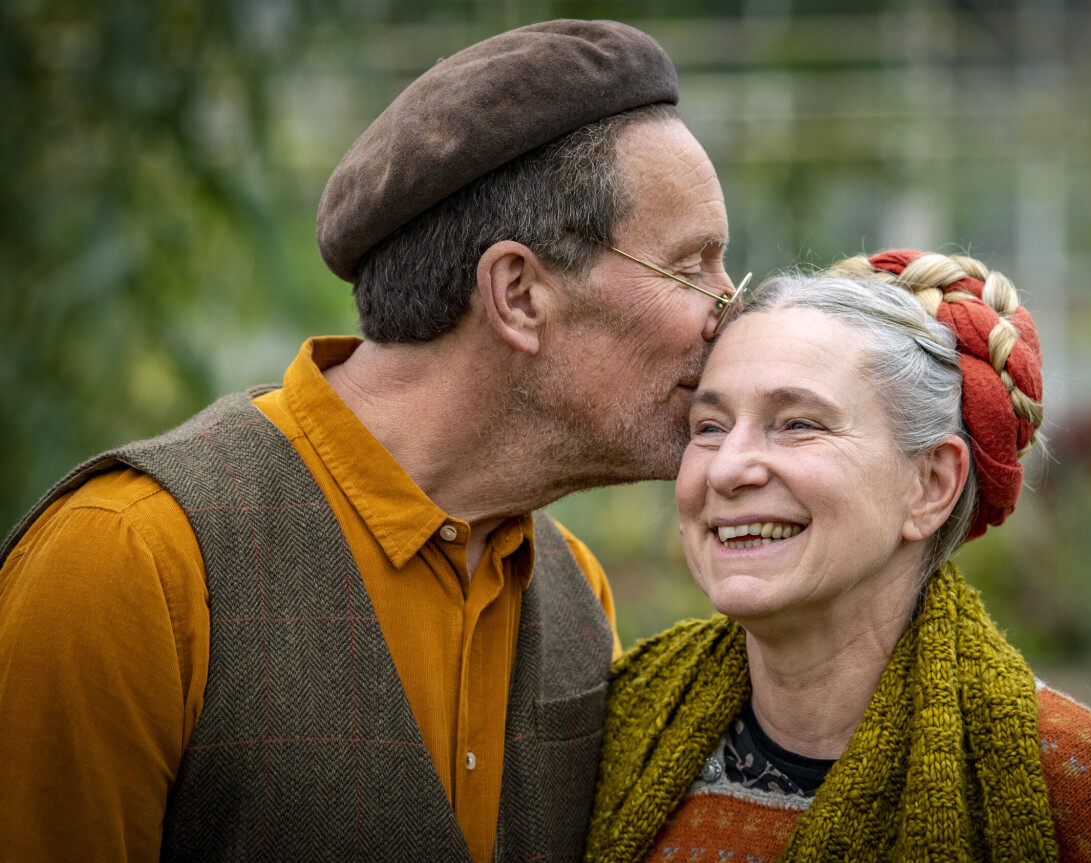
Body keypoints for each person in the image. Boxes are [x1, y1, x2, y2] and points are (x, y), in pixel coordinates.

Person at [0, 20, 750, 862]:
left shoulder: (579, 594)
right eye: (692, 268)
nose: (731, 312)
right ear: (519, 294)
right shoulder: (126, 564)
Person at [586, 249, 1091, 862]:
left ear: (931, 485)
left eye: (798, 423)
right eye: (709, 427)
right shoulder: (617, 726)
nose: (727, 469)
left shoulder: (1084, 787)